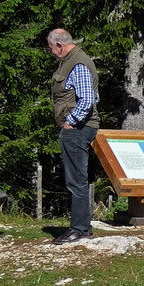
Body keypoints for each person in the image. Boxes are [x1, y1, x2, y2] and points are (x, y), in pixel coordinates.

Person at [47, 28, 100, 244]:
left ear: (60, 45)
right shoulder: (75, 60)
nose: (50, 51)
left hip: (78, 129)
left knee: (76, 180)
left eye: (51, 47)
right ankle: (82, 227)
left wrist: (71, 121)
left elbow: (88, 99)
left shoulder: (77, 63)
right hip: (79, 128)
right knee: (77, 179)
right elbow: (95, 94)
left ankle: (79, 229)